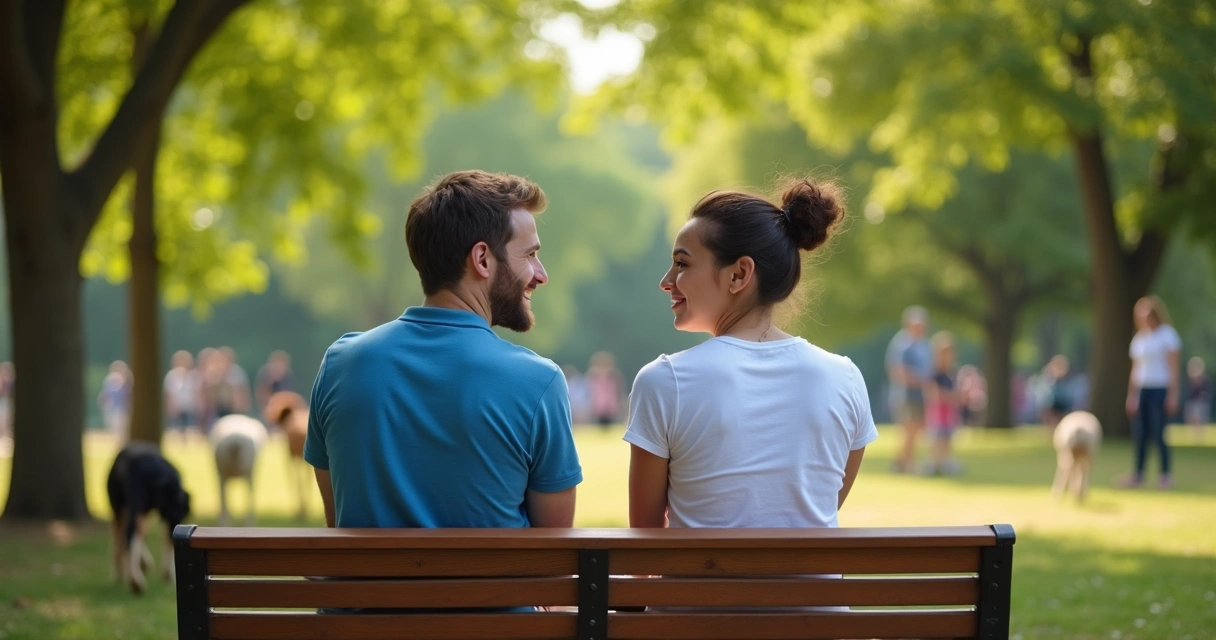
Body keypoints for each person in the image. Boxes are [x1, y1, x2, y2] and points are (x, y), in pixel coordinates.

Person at [305, 170, 582, 533]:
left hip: (363, 577)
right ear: (482, 259)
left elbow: (336, 520)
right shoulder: (539, 383)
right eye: (529, 255)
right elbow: (554, 550)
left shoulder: (340, 366)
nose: (541, 274)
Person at [625, 178, 876, 532]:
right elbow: (820, 509)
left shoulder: (665, 382)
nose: (666, 281)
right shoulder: (845, 379)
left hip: (697, 573)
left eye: (682, 263)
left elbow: (644, 542)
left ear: (739, 274)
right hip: (812, 575)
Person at [1122, 295, 1181, 489]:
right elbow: (1135, 370)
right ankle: (1138, 474)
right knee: (1140, 434)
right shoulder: (1139, 338)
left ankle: (1165, 475)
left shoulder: (1167, 335)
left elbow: (1173, 368)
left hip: (1160, 388)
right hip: (1143, 389)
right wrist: (1132, 395)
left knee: (1159, 432)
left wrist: (1173, 395)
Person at [887, 306, 931, 473]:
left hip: (920, 394)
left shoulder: (923, 344)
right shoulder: (903, 344)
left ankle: (903, 461)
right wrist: (919, 381)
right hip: (906, 394)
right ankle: (906, 463)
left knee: (917, 430)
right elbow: (898, 370)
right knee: (909, 429)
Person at [925, 332, 962, 476]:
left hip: (949, 414)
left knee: (947, 439)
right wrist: (949, 396)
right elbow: (934, 394)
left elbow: (957, 393)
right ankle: (934, 463)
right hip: (937, 414)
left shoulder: (951, 374)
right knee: (937, 439)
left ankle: (945, 462)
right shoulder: (934, 373)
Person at [163, 350, 201, 444]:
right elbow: (169, 393)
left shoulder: (193, 376)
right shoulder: (171, 376)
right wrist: (170, 407)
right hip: (177, 407)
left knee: (191, 428)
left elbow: (196, 393)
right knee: (176, 428)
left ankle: (189, 445)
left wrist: (198, 405)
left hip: (190, 407)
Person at [586, 351, 623, 430]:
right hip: (598, 402)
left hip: (610, 402)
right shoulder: (594, 375)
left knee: (609, 422)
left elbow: (617, 390)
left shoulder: (613, 375)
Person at [98, 361, 133, 443]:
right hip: (113, 409)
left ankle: (123, 444)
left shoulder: (127, 382)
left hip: (122, 409)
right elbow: (105, 395)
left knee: (122, 429)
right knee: (116, 429)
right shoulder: (110, 380)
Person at [255, 350, 296, 418]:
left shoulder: (287, 376)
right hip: (268, 408)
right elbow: (261, 394)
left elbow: (289, 394)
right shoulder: (266, 375)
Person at [1185, 356, 1210, 438]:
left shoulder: (1204, 380)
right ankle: (1194, 435)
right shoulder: (1191, 380)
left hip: (1201, 402)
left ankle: (1199, 435)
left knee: (1200, 418)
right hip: (1192, 402)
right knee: (1192, 418)